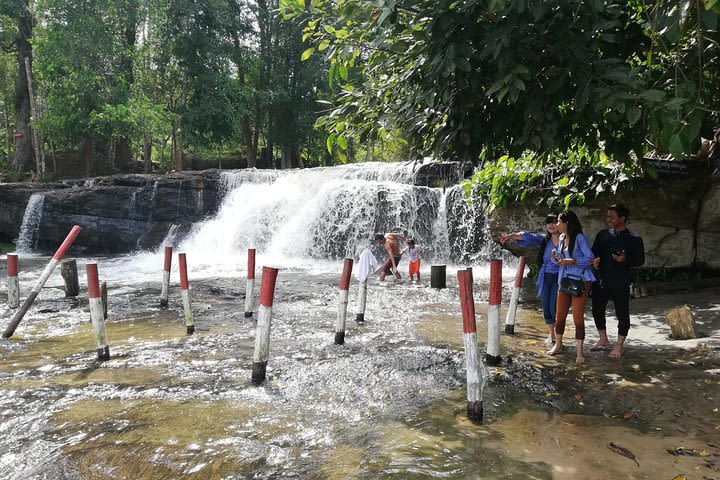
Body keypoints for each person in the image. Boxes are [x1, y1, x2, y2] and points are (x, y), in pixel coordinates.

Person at [590, 204, 645, 358]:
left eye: (612, 217)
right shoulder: (602, 235)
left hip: (621, 281)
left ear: (622, 218)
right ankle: (603, 338)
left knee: (622, 313)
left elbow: (640, 260)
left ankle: (619, 345)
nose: (608, 219)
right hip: (601, 280)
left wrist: (625, 259)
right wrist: (594, 260)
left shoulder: (634, 239)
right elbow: (594, 253)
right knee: (596, 309)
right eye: (607, 216)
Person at [500, 214, 560, 345]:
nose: (551, 225)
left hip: (560, 278)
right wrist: (510, 236)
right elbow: (527, 236)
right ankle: (552, 334)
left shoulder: (566, 240)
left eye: (555, 222)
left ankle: (558, 337)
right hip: (545, 277)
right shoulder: (544, 240)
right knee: (546, 307)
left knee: (555, 306)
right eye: (549, 222)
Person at [548, 211, 596, 364]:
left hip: (581, 280)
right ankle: (558, 344)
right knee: (559, 315)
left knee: (577, 317)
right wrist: (556, 258)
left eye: (559, 222)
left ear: (567, 223)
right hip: (565, 278)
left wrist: (573, 261)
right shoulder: (562, 237)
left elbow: (590, 259)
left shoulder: (580, 238)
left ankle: (580, 351)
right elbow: (562, 259)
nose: (556, 225)